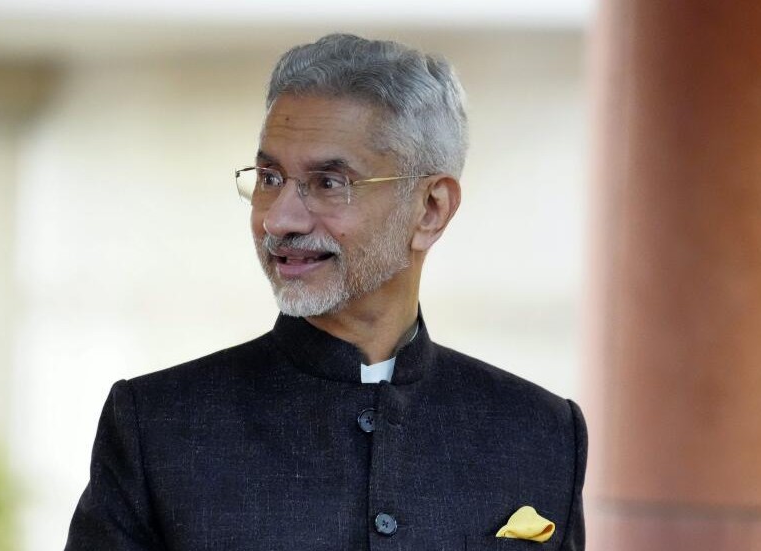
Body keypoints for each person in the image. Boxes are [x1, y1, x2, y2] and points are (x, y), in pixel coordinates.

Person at [65, 33, 586, 550]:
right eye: (270, 177)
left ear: (430, 209)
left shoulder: (541, 432)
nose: (279, 219)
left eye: (329, 182)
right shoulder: (159, 425)